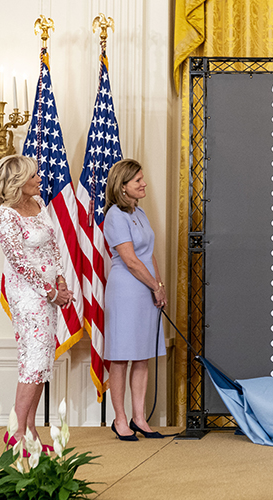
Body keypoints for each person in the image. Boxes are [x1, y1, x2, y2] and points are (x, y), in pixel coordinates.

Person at [0, 155, 74, 451]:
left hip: (50, 292)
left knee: (42, 364)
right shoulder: (5, 215)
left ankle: (30, 429)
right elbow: (19, 261)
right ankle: (16, 432)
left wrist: (61, 282)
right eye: (33, 176)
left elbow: (53, 245)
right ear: (17, 182)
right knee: (32, 362)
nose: (39, 179)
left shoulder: (39, 203)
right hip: (27, 295)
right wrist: (50, 291)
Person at [104, 159, 167, 441]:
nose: (143, 184)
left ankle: (139, 417)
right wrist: (153, 285)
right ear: (123, 186)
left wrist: (159, 285)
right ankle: (119, 419)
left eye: (142, 178)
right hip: (126, 291)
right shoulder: (114, 216)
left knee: (142, 355)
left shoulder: (139, 213)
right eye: (138, 180)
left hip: (146, 288)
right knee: (121, 357)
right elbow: (130, 260)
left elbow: (148, 253)